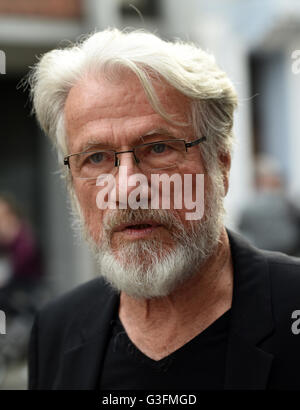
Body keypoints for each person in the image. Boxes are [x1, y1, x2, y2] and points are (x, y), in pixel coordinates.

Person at [27, 28, 300, 390]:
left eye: (158, 149)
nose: (126, 189)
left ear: (221, 164)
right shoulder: (56, 331)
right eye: (96, 157)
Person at [0, 194, 42, 316]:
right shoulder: (7, 242)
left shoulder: (24, 241)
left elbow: (16, 270)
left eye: (3, 217)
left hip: (25, 300)